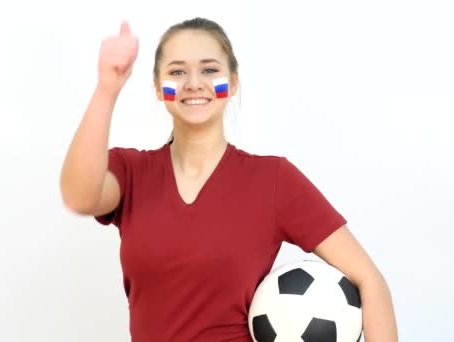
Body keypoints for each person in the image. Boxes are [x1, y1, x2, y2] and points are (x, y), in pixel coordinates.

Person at [60, 17, 398, 342]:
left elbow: (369, 280)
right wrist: (107, 88)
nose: (194, 83)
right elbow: (80, 197)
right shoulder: (131, 171)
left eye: (210, 69)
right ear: (158, 89)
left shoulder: (274, 180)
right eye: (177, 71)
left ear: (232, 82)